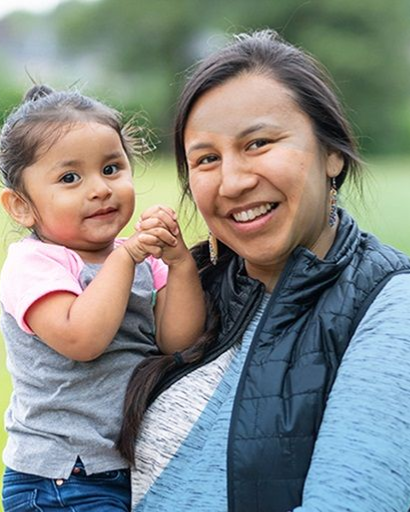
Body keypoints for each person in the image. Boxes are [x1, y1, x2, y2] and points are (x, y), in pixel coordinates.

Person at [117, 29, 410, 512]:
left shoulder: (389, 306)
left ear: (331, 154)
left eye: (258, 143)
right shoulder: (188, 292)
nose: (232, 181)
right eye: (207, 158)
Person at [0, 84, 205, 511]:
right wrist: (127, 257)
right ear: (21, 206)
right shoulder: (33, 263)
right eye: (70, 178)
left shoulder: (140, 260)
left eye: (111, 169)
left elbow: (178, 343)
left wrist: (181, 264)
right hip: (60, 477)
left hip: (126, 467)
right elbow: (82, 338)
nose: (99, 189)